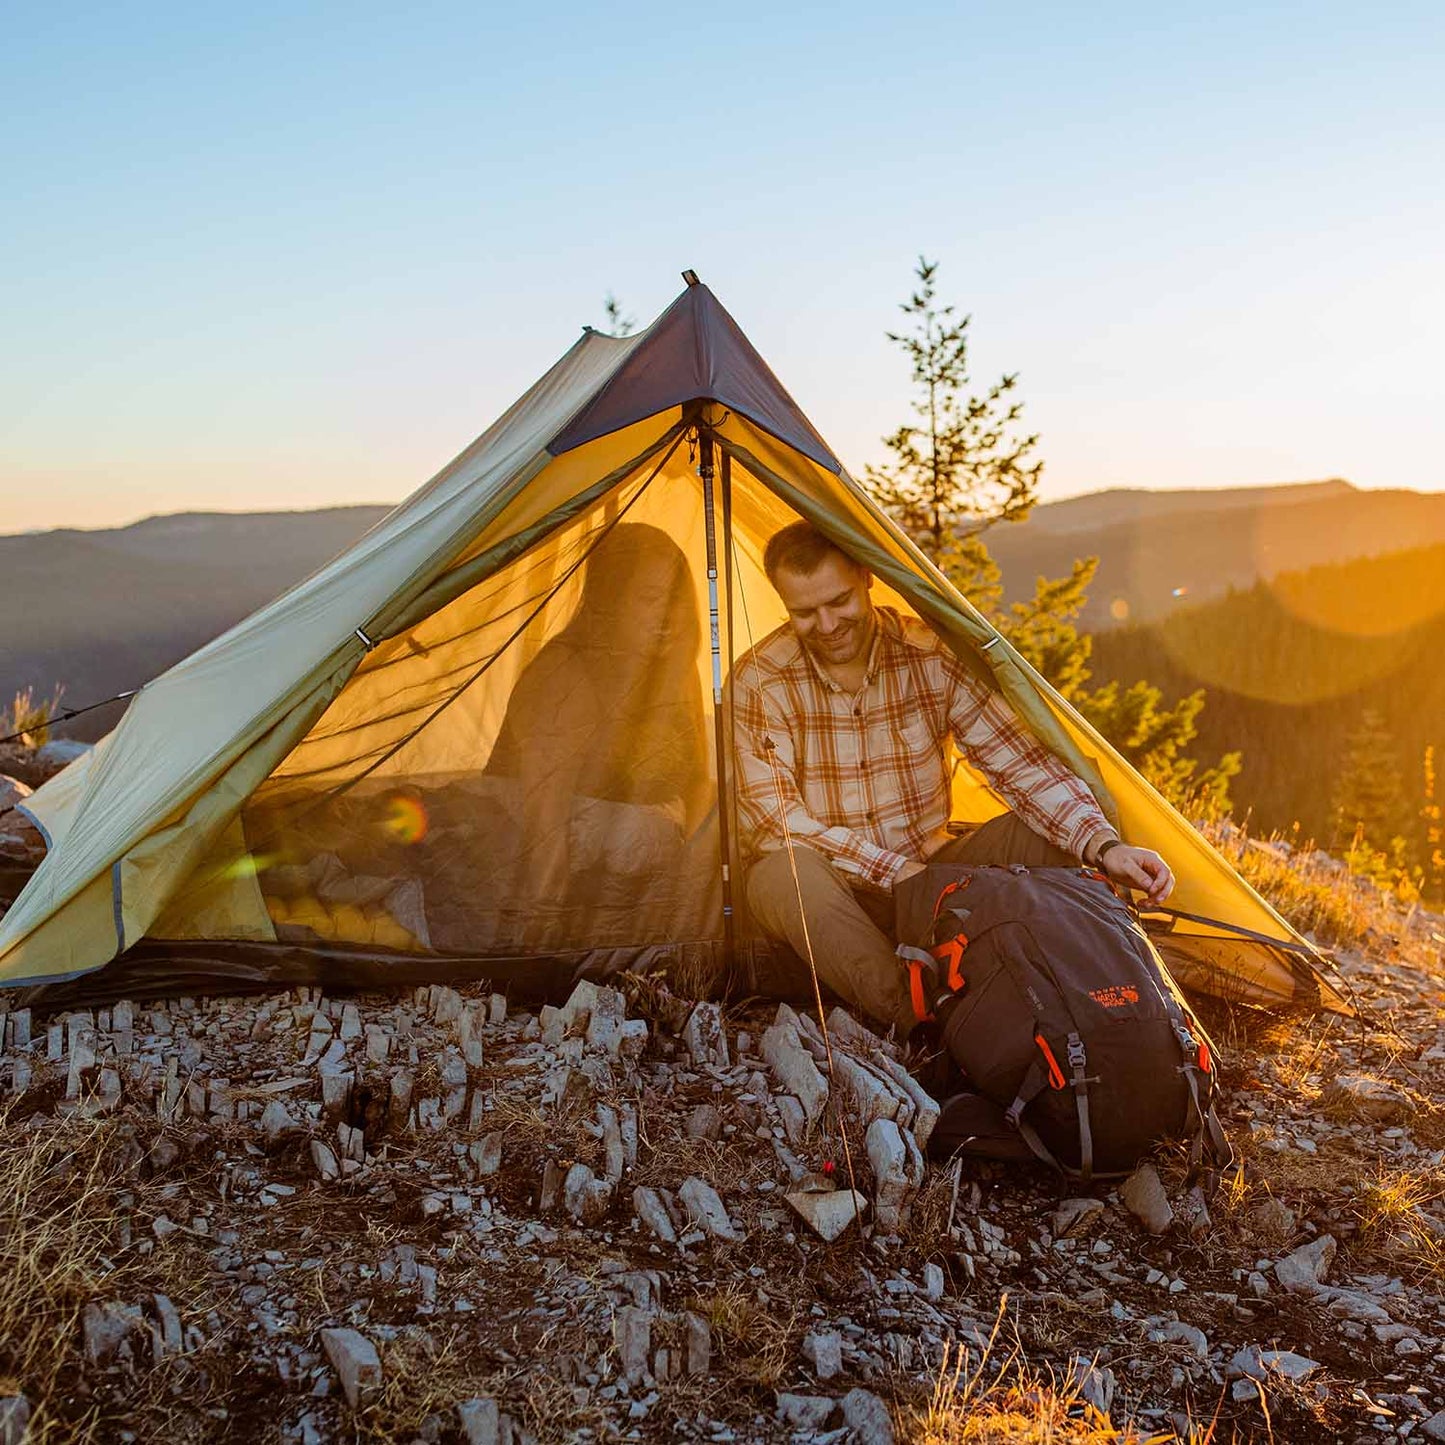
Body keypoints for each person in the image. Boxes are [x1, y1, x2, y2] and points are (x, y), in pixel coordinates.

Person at [733, 521, 1173, 1036]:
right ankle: (930, 1025)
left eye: (839, 601)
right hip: (838, 893)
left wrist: (1102, 846)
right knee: (782, 872)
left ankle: (1095, 985)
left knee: (1049, 836)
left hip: (934, 872)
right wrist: (896, 873)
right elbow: (775, 821)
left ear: (866, 576)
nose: (827, 624)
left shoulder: (928, 653)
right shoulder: (760, 680)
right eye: (804, 612)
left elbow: (1021, 765)